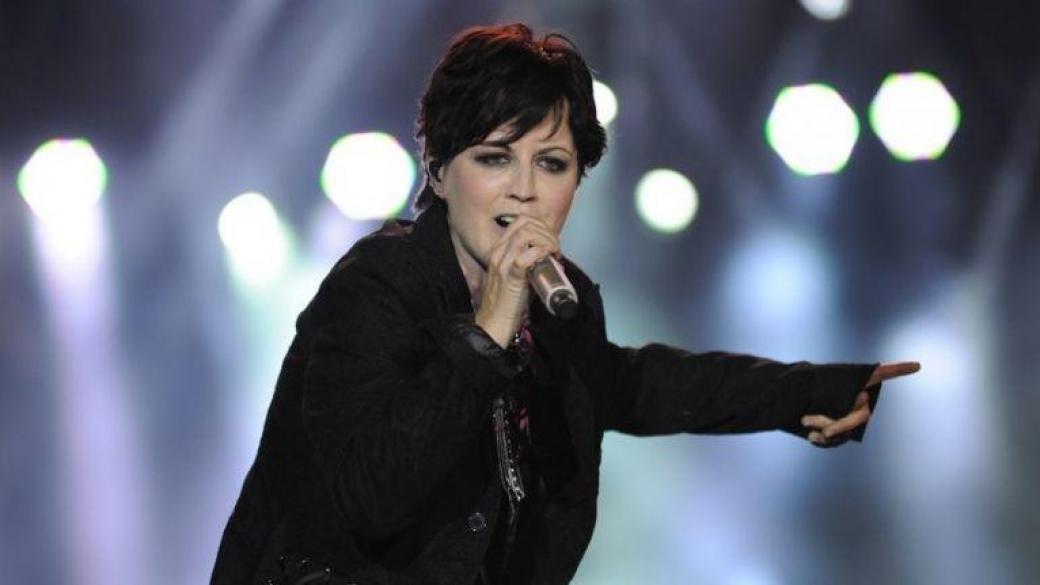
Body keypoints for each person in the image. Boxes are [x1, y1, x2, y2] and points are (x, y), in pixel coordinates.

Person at [211, 23, 920, 585]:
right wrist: (487, 327)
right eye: (494, 157)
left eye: (550, 163)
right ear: (439, 169)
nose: (524, 189)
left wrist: (808, 392)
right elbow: (372, 494)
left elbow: (637, 383)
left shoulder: (557, 303)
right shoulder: (377, 285)